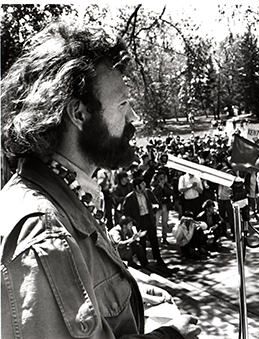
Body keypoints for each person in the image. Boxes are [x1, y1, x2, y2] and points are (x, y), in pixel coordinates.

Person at [0, 22, 200, 338]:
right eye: (122, 104)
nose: (133, 117)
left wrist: (132, 287)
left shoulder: (63, 193)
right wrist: (170, 336)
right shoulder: (45, 234)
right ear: (79, 114)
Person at [123, 176, 167, 267]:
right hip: (139, 220)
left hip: (149, 218)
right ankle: (144, 261)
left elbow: (155, 201)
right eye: (142, 184)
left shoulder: (148, 192)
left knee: (153, 239)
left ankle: (158, 258)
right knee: (141, 241)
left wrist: (154, 208)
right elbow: (126, 211)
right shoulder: (130, 197)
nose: (144, 186)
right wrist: (132, 221)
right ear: (137, 186)